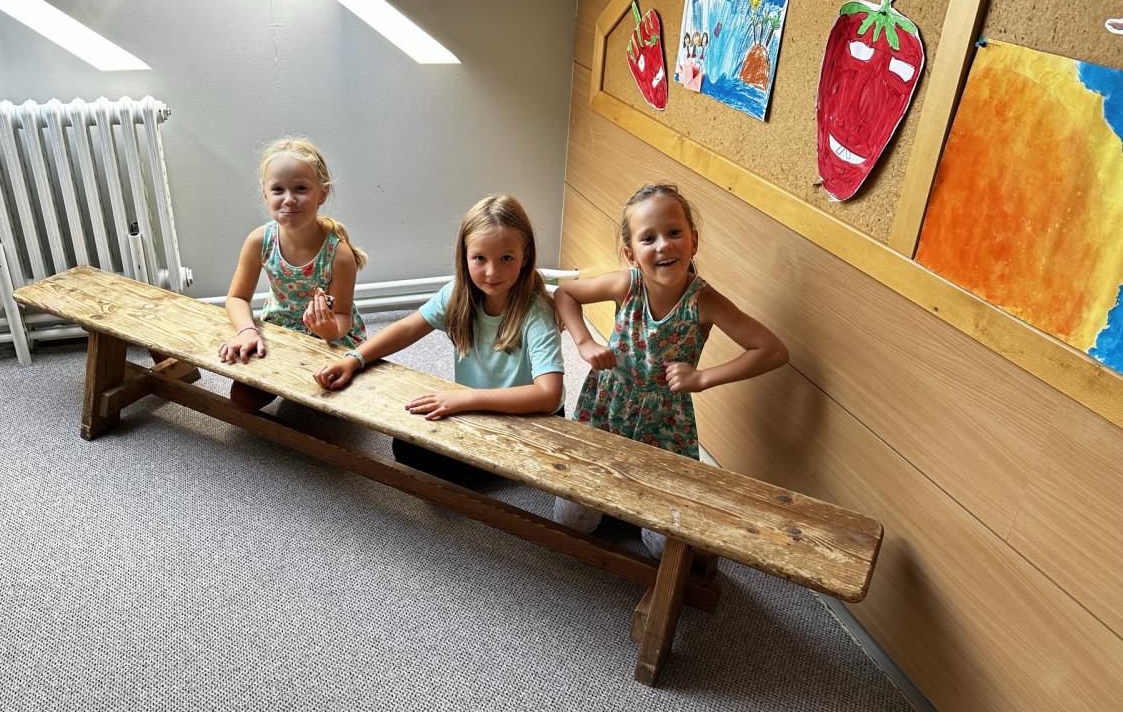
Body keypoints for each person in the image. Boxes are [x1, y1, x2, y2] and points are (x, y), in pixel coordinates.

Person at [551, 183, 788, 557]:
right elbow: (565, 294)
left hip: (663, 424)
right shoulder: (626, 285)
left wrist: (703, 378)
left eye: (674, 232)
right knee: (570, 521)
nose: (663, 245)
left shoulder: (704, 300)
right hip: (608, 410)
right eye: (649, 238)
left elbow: (772, 350)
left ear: (693, 241)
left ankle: (639, 507)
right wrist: (584, 342)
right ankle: (609, 499)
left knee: (666, 549)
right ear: (631, 254)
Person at [313, 194, 564, 484]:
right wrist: (354, 358)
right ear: (465, 255)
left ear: (525, 257)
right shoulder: (459, 292)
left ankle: (502, 470)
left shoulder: (536, 312)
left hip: (531, 418)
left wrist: (465, 399)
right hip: (480, 406)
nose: (492, 272)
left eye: (506, 258)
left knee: (426, 458)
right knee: (406, 446)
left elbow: (548, 395)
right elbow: (408, 328)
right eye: (480, 258)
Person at [218, 136, 367, 412]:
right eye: (278, 190)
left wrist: (329, 330)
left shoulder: (339, 254)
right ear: (265, 195)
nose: (289, 199)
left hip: (329, 339)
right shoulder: (259, 241)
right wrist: (247, 331)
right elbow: (237, 297)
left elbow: (343, 316)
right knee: (243, 398)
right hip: (279, 331)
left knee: (327, 407)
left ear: (322, 194)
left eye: (300, 188)